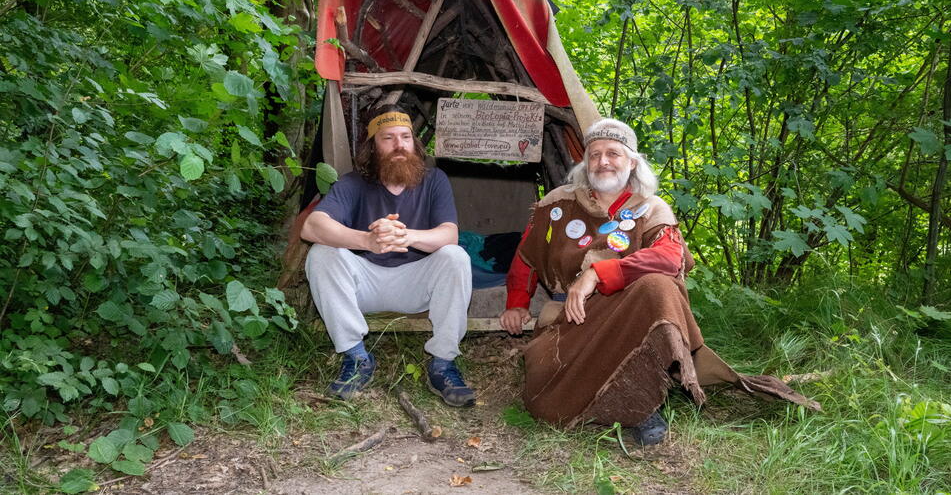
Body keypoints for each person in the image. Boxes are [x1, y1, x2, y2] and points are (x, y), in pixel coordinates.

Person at [500, 118, 818, 444]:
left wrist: (597, 274)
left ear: (632, 162)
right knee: (546, 407)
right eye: (594, 154)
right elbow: (528, 255)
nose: (603, 161)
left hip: (631, 318)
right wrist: (516, 304)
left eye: (613, 153)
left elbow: (669, 258)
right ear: (585, 161)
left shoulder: (650, 209)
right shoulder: (559, 203)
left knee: (658, 287)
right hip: (575, 317)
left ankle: (641, 401)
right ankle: (593, 397)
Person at [301, 106, 475, 407]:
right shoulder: (354, 183)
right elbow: (312, 226)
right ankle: (356, 358)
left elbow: (450, 234)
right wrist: (367, 240)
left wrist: (409, 236)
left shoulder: (434, 180)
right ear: (373, 146)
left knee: (455, 256)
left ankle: (443, 364)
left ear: (415, 143)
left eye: (406, 137)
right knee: (321, 254)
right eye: (388, 138)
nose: (399, 145)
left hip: (416, 284)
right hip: (364, 284)